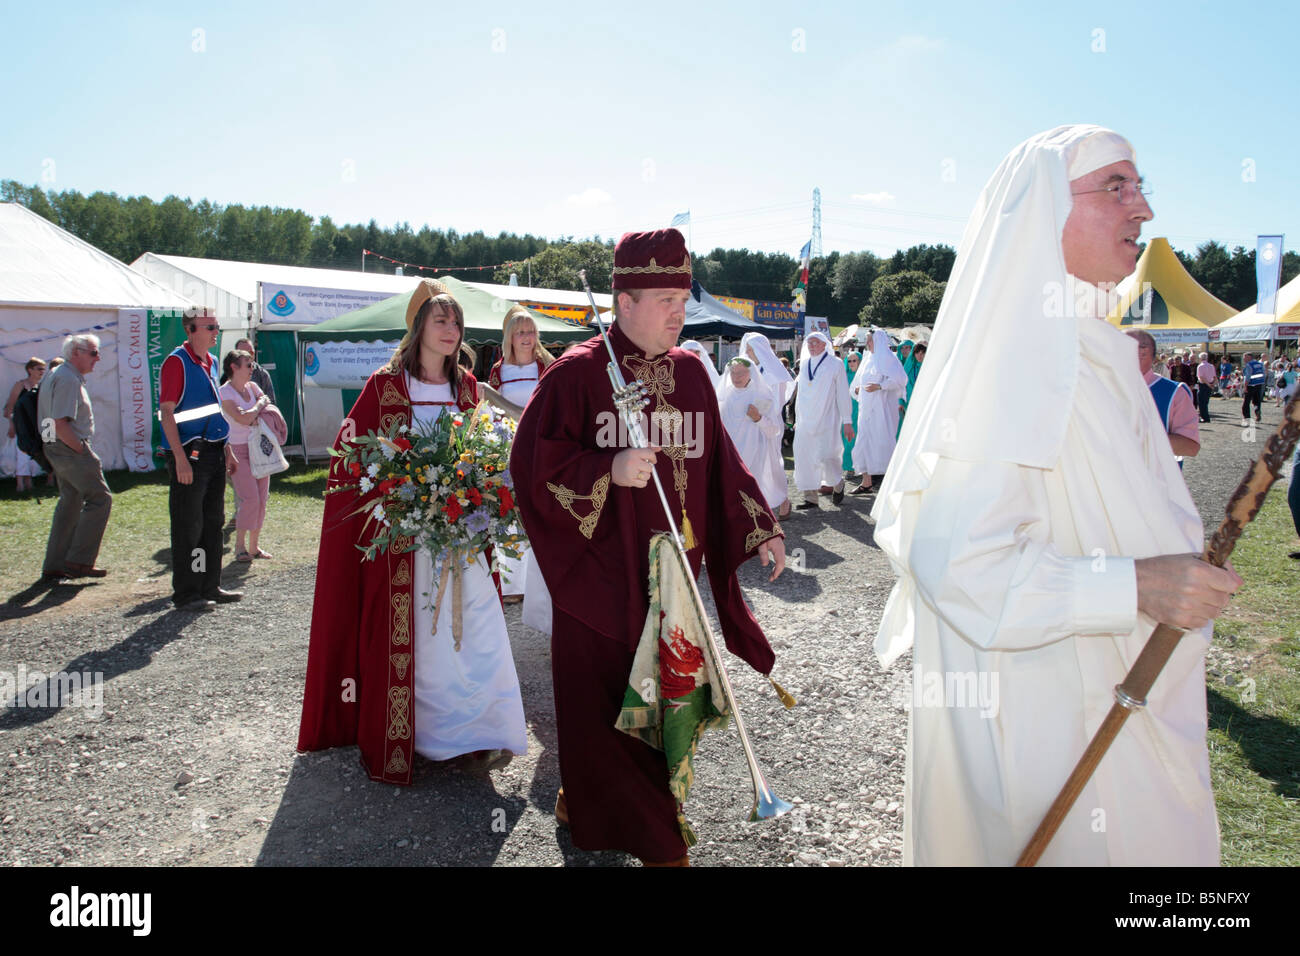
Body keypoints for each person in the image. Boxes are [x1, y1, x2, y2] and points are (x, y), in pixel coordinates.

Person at [871, 125, 1241, 866]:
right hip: (1050, 720)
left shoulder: (1093, 345)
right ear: (1042, 212)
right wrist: (1136, 585)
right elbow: (963, 565)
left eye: (1141, 188)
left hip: (1119, 691)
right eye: (1116, 187)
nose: (1142, 211)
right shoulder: (1015, 360)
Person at [510, 228, 785, 866]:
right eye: (663, 298)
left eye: (681, 298)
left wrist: (760, 522)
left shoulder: (691, 374)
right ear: (623, 301)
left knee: (664, 704)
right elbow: (532, 467)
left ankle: (591, 800)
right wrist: (606, 468)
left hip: (674, 585)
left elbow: (720, 463)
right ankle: (661, 844)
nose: (677, 312)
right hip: (601, 586)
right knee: (608, 713)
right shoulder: (576, 376)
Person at [299, 279, 528, 783]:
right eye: (440, 320)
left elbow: (487, 448)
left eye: (457, 322)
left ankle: (481, 731)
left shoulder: (467, 387)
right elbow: (351, 457)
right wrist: (402, 495)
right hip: (409, 545)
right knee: (424, 638)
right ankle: (425, 736)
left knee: (476, 629)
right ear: (418, 327)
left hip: (465, 540)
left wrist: (481, 487)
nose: (451, 330)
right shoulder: (385, 388)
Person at [158, 315, 243, 611]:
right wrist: (179, 459)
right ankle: (187, 592)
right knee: (188, 525)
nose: (216, 332)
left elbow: (214, 410)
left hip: (214, 451)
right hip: (190, 454)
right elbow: (166, 412)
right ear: (190, 330)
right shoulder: (177, 362)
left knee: (212, 522)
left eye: (216, 327)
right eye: (210, 327)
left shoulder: (210, 361)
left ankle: (209, 584)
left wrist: (227, 449)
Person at [37, 336, 113, 582]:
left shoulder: (54, 373)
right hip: (69, 447)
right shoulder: (68, 378)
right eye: (93, 353)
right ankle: (78, 561)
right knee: (100, 499)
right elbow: (60, 422)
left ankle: (55, 564)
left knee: (69, 503)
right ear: (76, 353)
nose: (97, 358)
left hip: (55, 446)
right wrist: (80, 450)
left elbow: (48, 420)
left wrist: (51, 446)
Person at [219, 349, 277, 562]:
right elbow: (242, 419)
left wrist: (254, 410)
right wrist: (256, 409)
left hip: (259, 449)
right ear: (234, 367)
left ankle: (254, 546)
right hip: (237, 450)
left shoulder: (253, 387)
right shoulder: (225, 392)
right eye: (247, 364)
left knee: (262, 498)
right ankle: (240, 547)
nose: (252, 368)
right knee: (250, 498)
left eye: (251, 363)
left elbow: (265, 403)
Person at [790, 331, 853, 509]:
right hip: (805, 420)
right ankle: (810, 497)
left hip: (827, 418)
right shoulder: (804, 364)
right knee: (804, 457)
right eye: (809, 343)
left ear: (825, 345)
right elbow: (801, 393)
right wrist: (796, 418)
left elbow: (842, 392)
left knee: (827, 455)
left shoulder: (836, 364)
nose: (812, 346)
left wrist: (847, 420)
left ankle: (837, 483)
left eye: (816, 343)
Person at [718, 357, 787, 510]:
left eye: (741, 373)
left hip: (755, 452)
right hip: (730, 453)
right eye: (733, 373)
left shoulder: (761, 395)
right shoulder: (725, 395)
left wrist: (758, 418)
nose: (736, 377)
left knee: (752, 494)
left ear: (751, 373)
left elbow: (773, 430)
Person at [1127, 330, 1199, 464]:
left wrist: (1138, 438)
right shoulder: (1104, 389)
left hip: (1157, 481)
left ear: (1145, 353)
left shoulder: (1174, 392)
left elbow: (1191, 446)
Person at [849, 328, 907, 495]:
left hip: (882, 412)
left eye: (870, 340)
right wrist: (858, 390)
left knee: (882, 444)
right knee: (863, 444)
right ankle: (866, 482)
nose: (867, 344)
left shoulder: (889, 359)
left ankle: (891, 484)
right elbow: (857, 382)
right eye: (867, 340)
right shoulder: (867, 359)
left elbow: (900, 380)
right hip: (866, 410)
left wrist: (881, 386)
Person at [5, 357, 47, 492]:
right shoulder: (20, 385)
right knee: (22, 452)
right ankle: (20, 483)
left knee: (34, 452)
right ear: (30, 370)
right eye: (39, 369)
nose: (42, 372)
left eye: (43, 369)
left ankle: (29, 481)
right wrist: (11, 425)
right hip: (21, 424)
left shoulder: (40, 387)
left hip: (34, 426)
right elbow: (10, 407)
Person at [234, 336, 275, 404]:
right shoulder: (229, 374)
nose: (248, 356)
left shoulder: (262, 374)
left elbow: (271, 402)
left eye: (251, 352)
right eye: (244, 353)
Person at [841, 351, 861, 476]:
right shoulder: (843, 376)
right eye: (849, 361)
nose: (852, 363)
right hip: (847, 411)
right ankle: (849, 467)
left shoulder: (864, 375)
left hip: (861, 410)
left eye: (855, 360)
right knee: (848, 439)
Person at [1241, 352, 1267, 423]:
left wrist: (1245, 386)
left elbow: (1248, 377)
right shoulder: (1260, 364)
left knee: (1246, 402)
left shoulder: (1249, 365)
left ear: (1249, 357)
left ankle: (1247, 417)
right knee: (1256, 401)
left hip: (1250, 385)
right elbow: (1264, 374)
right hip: (1259, 384)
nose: (1243, 359)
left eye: (1244, 357)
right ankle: (1257, 411)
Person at [1194, 351, 1217, 423]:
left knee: (1201, 402)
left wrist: (1208, 384)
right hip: (1210, 384)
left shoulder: (1200, 366)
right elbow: (1214, 377)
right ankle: (1205, 417)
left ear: (1200, 358)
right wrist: (1212, 384)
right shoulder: (1211, 366)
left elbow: (1201, 377)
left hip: (1204, 385)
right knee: (1206, 402)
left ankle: (1205, 417)